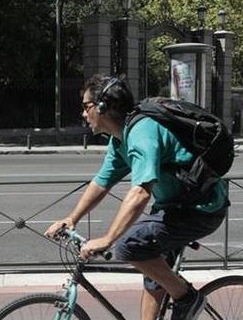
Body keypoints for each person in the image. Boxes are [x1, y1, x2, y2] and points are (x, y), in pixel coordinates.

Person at [44, 75, 228, 320]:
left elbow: (141, 191)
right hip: (174, 207)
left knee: (129, 245)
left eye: (86, 107)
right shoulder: (120, 138)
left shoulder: (142, 132)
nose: (83, 114)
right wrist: (72, 218)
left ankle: (187, 298)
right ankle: (180, 294)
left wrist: (108, 239)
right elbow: (101, 183)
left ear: (102, 106)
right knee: (154, 278)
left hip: (200, 209)